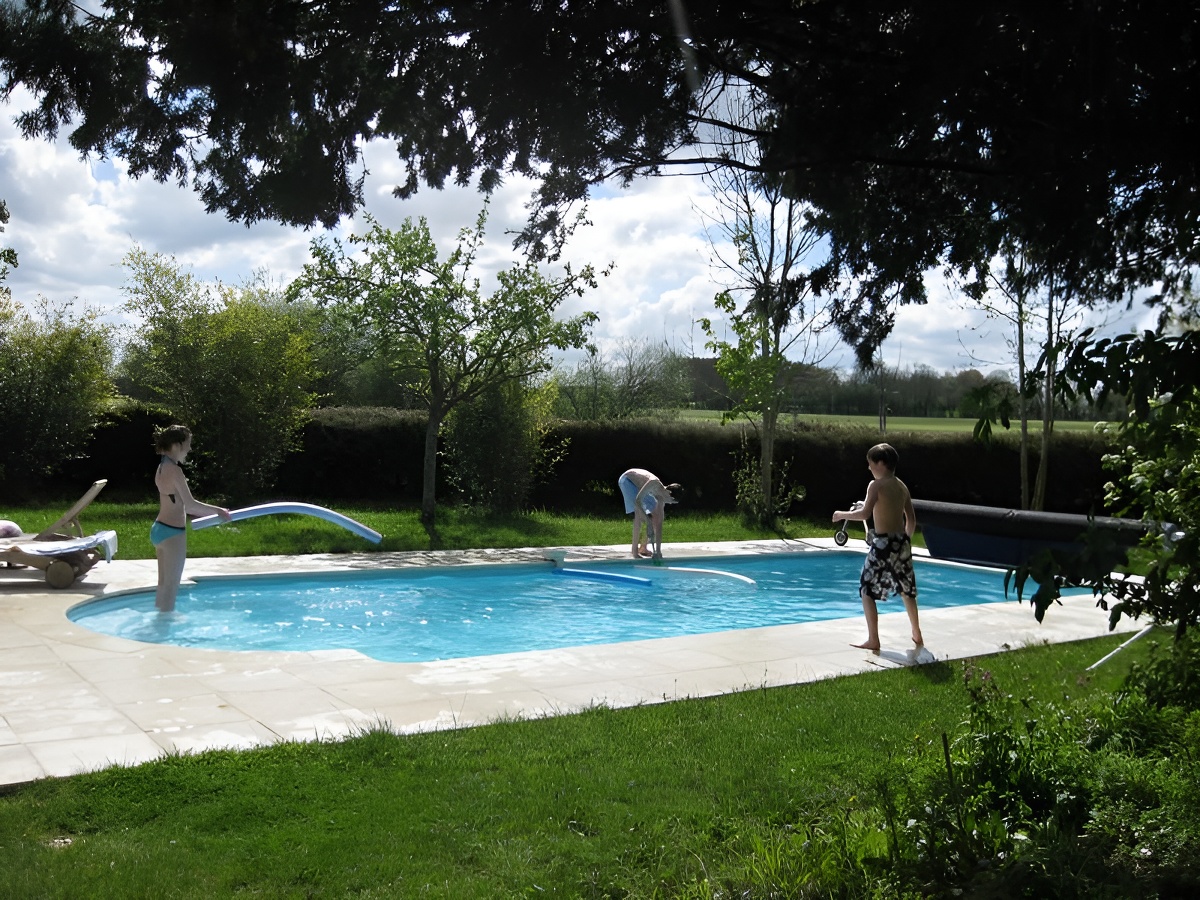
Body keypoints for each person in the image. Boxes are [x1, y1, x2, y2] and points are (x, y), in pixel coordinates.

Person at [832, 443, 923, 652]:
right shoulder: (902, 486)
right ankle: (916, 633)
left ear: (881, 463)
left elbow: (864, 513)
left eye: (870, 463)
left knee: (866, 587)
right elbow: (911, 519)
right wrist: (904, 541)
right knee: (906, 589)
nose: (869, 468)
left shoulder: (876, 485)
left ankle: (873, 639)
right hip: (901, 543)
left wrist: (841, 514)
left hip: (882, 543)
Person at [152, 425, 231, 612]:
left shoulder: (162, 467)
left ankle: (159, 618)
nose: (189, 449)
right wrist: (218, 511)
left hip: (158, 530)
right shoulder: (175, 471)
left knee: (163, 585)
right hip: (173, 534)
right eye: (187, 444)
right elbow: (190, 505)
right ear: (177, 445)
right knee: (171, 587)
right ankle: (164, 627)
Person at [617, 468, 679, 559]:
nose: (669, 503)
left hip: (638, 486)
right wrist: (647, 521)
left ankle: (643, 547)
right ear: (669, 493)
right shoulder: (653, 483)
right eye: (671, 501)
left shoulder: (661, 498)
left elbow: (659, 524)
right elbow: (638, 501)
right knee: (639, 515)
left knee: (655, 517)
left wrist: (658, 551)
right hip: (627, 480)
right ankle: (634, 551)